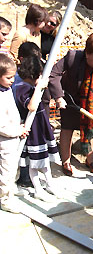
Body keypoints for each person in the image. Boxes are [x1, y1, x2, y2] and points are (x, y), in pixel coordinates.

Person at [49, 32, 93, 176]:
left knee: (91, 130)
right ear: (87, 54)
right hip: (69, 101)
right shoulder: (72, 57)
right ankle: (66, 161)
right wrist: (59, 97)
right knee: (67, 129)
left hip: (91, 103)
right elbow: (53, 74)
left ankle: (90, 160)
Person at [15, 55, 62, 201]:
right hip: (32, 131)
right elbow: (32, 106)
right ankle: (37, 189)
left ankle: (49, 184)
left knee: (44, 159)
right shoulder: (22, 88)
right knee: (34, 163)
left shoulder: (30, 87)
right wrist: (38, 88)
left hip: (40, 128)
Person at [0, 53, 29, 213]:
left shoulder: (6, 89)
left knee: (12, 168)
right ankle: (4, 199)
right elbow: (1, 125)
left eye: (13, 77)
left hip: (13, 136)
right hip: (5, 140)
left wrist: (19, 127)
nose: (12, 80)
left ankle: (9, 190)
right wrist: (18, 130)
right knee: (6, 170)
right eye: (8, 77)